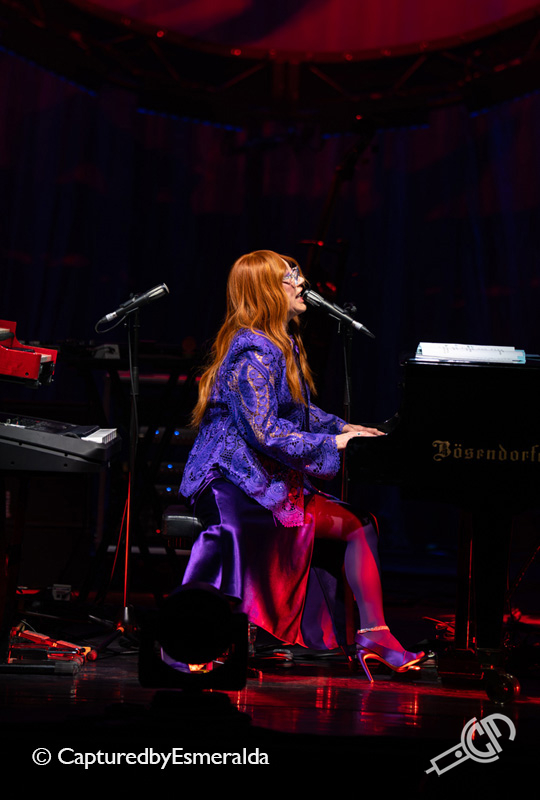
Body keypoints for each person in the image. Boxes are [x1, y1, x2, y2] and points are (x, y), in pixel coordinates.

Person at [178, 249, 424, 679]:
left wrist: (348, 427)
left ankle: (375, 635)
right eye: (289, 277)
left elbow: (298, 414)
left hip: (263, 477)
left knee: (359, 524)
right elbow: (264, 432)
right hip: (230, 480)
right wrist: (335, 442)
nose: (301, 282)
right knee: (252, 533)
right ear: (265, 291)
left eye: (296, 273)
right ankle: (195, 640)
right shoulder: (252, 352)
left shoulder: (279, 344)